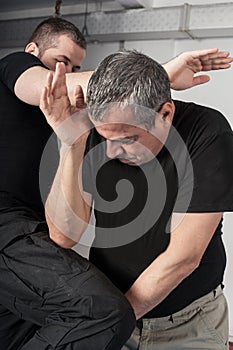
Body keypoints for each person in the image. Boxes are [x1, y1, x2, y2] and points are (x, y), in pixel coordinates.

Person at [0, 14, 232, 350]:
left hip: (186, 324)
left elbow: (184, 257)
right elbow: (63, 236)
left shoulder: (208, 132)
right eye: (104, 136)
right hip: (113, 315)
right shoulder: (95, 135)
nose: (111, 149)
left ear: (165, 113)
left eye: (127, 137)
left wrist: (111, 319)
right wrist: (71, 143)